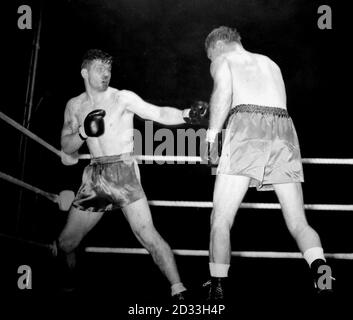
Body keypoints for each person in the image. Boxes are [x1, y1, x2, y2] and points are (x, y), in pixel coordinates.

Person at [58, 49, 207, 300]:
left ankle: (179, 290)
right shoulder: (74, 106)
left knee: (147, 234)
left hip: (123, 171)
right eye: (99, 69)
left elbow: (157, 113)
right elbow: (67, 146)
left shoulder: (122, 98)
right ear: (85, 72)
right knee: (66, 243)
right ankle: (71, 282)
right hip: (95, 176)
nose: (106, 74)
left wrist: (185, 114)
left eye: (109, 69)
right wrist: (84, 132)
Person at [201, 26, 333, 300]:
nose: (211, 62)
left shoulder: (224, 60)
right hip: (284, 130)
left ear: (216, 46)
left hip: (247, 126)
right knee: (298, 222)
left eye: (209, 56)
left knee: (221, 218)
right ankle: (322, 274)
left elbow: (223, 94)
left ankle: (218, 289)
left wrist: (211, 138)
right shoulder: (270, 63)